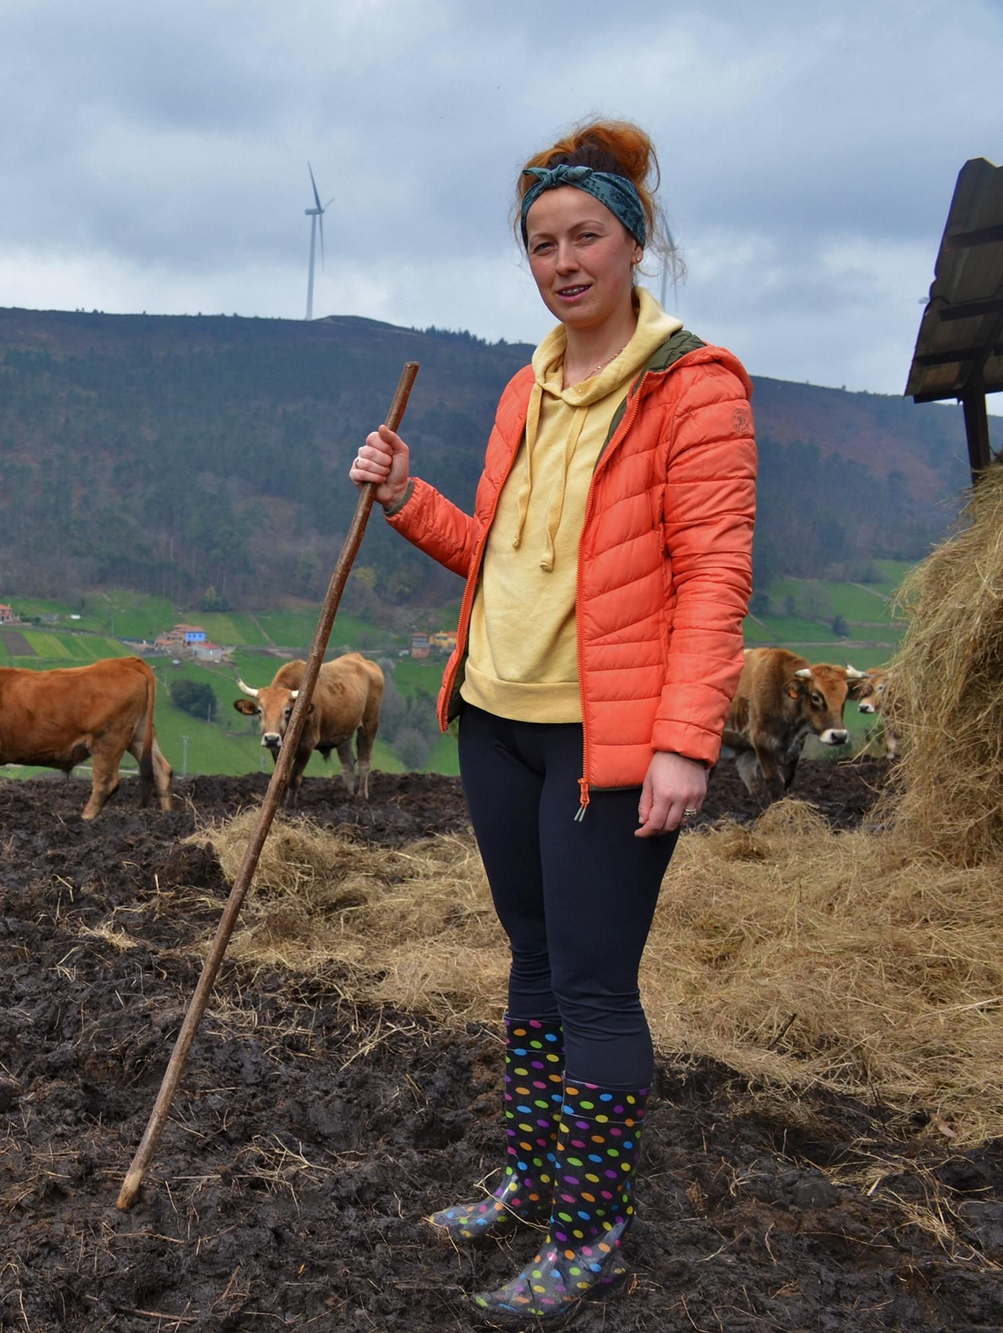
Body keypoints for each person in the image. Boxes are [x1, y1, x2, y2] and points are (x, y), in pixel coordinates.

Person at [350, 119, 755, 1323]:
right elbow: (503, 558)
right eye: (540, 242)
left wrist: (685, 739)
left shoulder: (694, 385)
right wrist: (403, 497)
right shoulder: (528, 387)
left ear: (633, 242)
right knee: (529, 958)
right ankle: (536, 1178)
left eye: (584, 235)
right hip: (496, 716)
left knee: (591, 985)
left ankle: (590, 1233)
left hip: (606, 738)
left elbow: (713, 574)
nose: (562, 260)